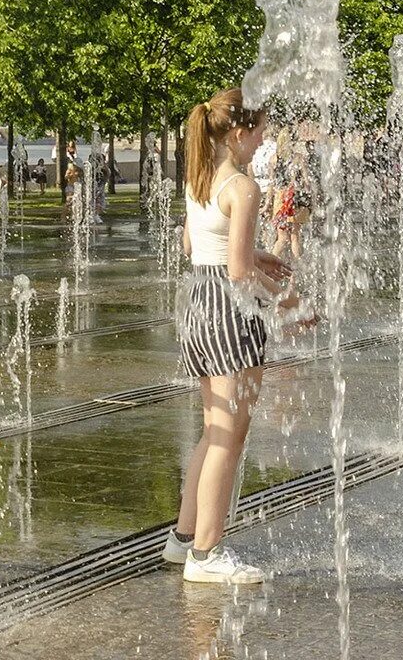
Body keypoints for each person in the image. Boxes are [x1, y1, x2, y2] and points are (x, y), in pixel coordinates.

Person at [165, 88, 303, 584]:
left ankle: (183, 539)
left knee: (213, 431)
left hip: (199, 306)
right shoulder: (243, 187)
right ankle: (207, 555)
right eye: (261, 132)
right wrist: (289, 302)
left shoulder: (199, 177)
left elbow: (195, 244)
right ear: (240, 133)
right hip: (229, 312)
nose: (264, 141)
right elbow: (240, 273)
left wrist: (253, 253)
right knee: (229, 436)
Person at [270, 129, 312, 261]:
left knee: (281, 238)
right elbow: (306, 182)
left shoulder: (273, 159)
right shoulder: (299, 158)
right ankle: (297, 268)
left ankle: (270, 263)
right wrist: (311, 199)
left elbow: (272, 184)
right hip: (294, 198)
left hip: (280, 199)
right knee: (295, 236)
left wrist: (267, 203)